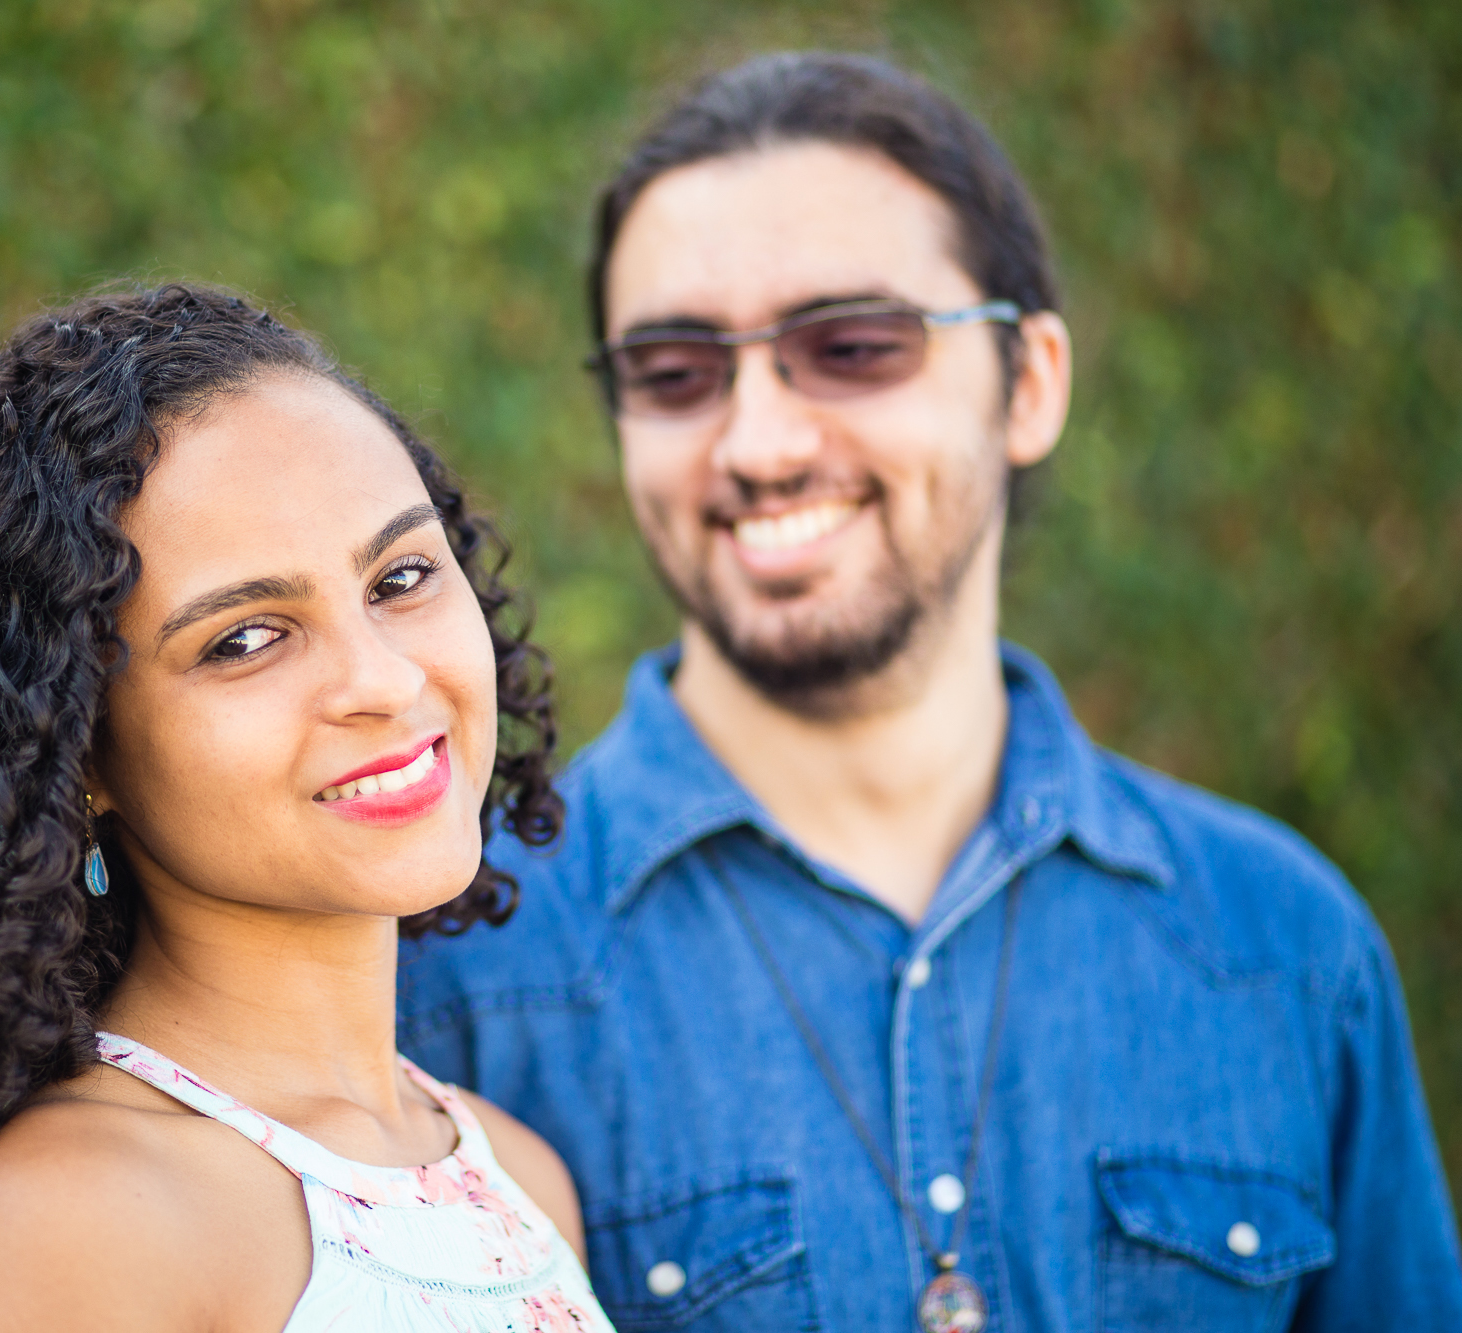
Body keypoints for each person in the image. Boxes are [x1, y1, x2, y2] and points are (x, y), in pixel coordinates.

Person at [398, 52, 1462, 1331]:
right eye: (674, 372)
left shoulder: (1284, 946)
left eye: (850, 348)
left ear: (1030, 384)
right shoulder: (454, 968)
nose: (758, 443)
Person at [0, 284, 615, 1331]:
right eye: (244, 638)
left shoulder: (519, 1175)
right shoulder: (69, 1223)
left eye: (399, 576)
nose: (382, 679)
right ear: (76, 749)